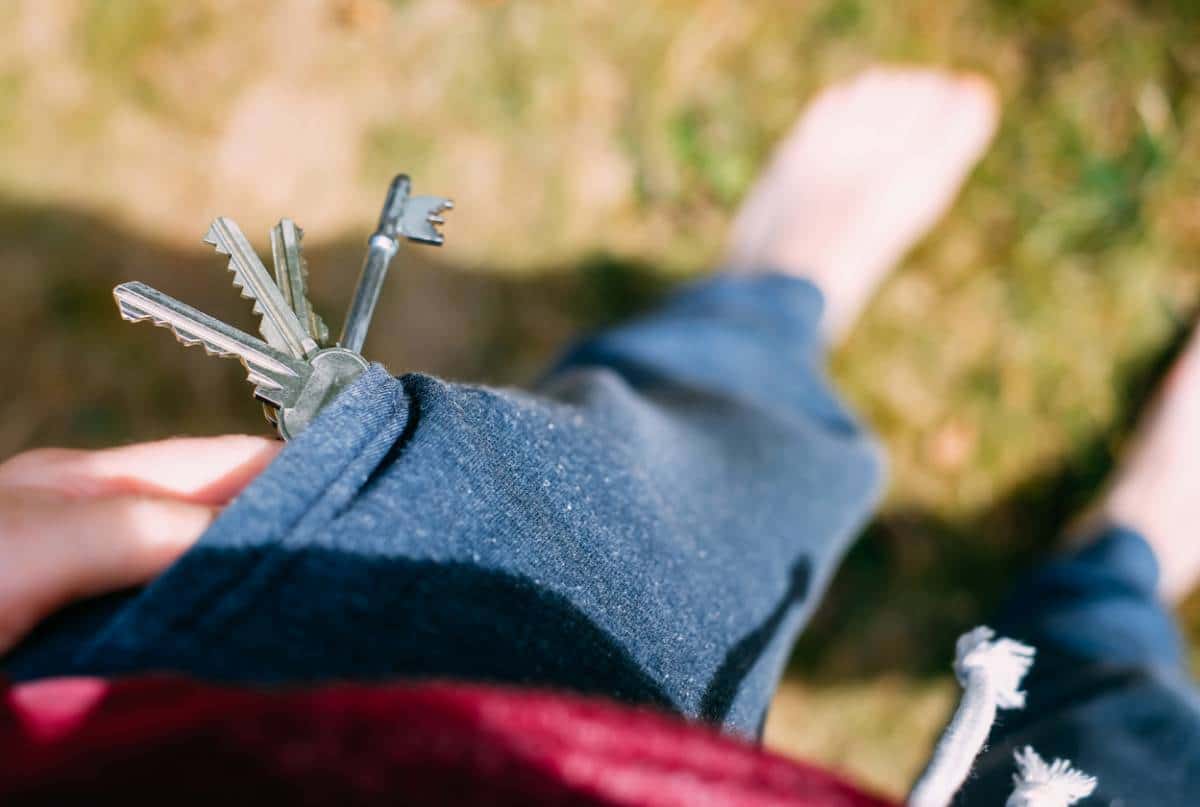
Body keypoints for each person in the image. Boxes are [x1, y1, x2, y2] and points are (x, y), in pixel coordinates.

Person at [0, 66, 1194, 804]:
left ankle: (769, 307)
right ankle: (1115, 591)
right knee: (1141, 768)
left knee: (598, 510)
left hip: (293, 755)